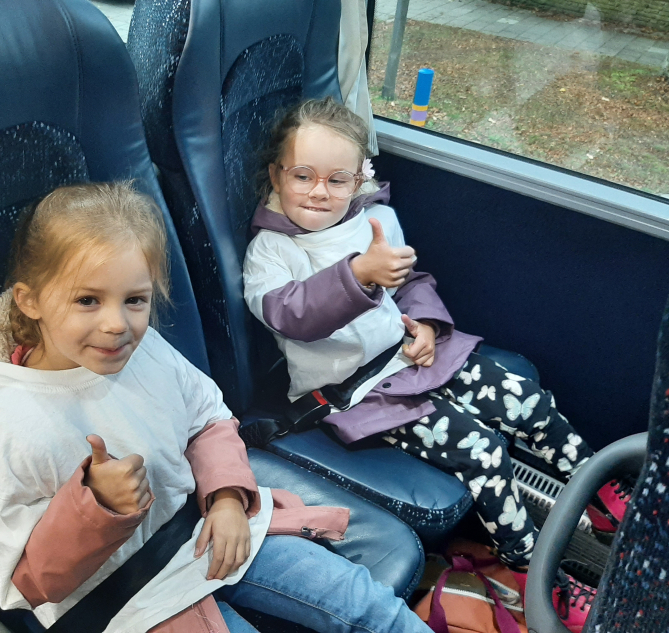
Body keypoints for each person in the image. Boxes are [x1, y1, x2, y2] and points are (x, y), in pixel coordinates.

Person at [0, 182, 430, 633]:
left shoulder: (145, 350)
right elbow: (29, 582)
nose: (116, 324)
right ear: (30, 301)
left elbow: (207, 419)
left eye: (134, 300)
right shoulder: (6, 426)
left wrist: (226, 498)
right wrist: (97, 507)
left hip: (204, 528)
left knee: (366, 604)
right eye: (87, 300)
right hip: (127, 599)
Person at [242, 97, 629, 632]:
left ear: (358, 180)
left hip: (414, 355)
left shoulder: (374, 220)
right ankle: (532, 570)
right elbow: (290, 315)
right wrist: (358, 274)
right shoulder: (271, 251)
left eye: (337, 180)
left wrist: (425, 326)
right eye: (302, 175)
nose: (318, 192)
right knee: (485, 452)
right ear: (276, 175)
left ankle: (602, 491)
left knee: (526, 400)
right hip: (361, 393)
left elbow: (411, 284)